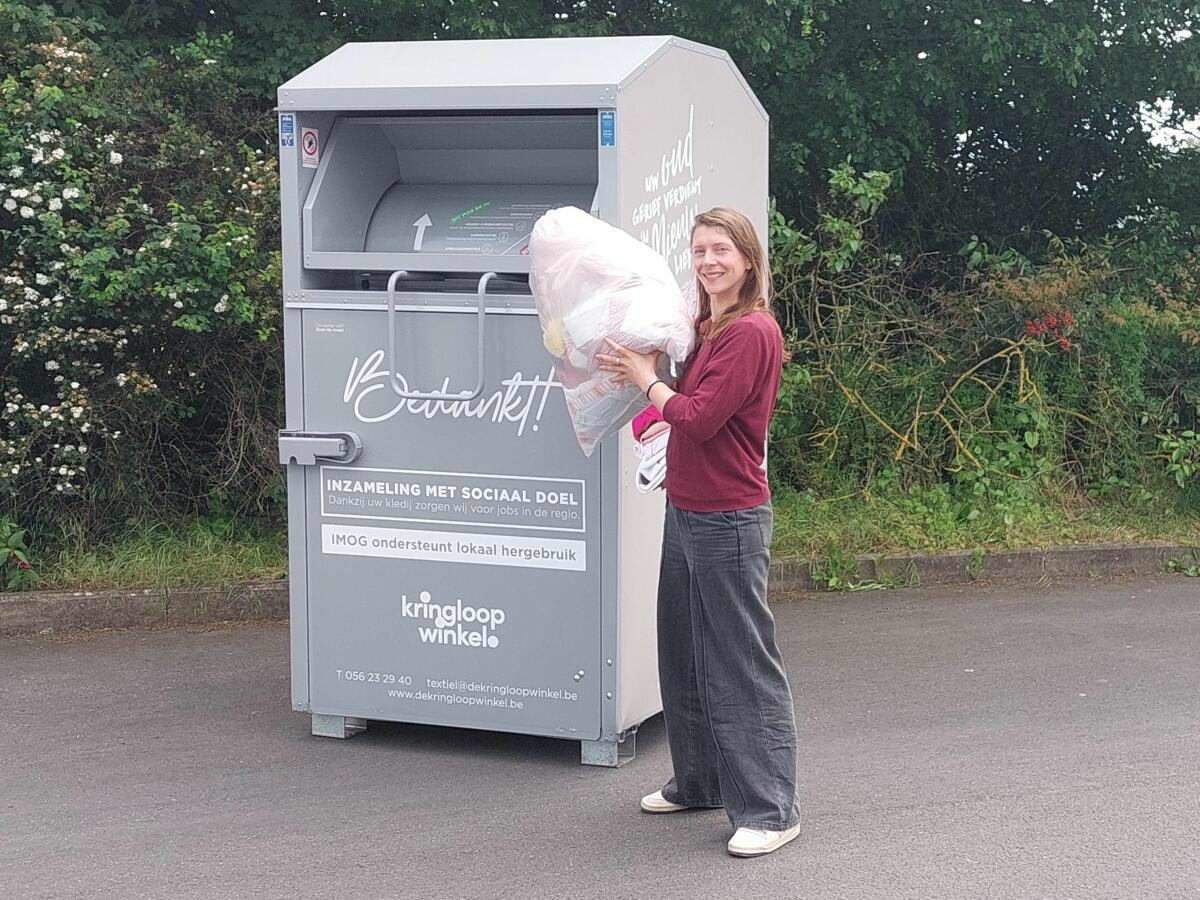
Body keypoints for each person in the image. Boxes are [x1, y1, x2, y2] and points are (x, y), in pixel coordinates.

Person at [597, 207, 801, 858]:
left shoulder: (752, 333)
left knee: (738, 660)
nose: (709, 261)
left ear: (747, 260)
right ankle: (701, 781)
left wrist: (645, 380)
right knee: (683, 652)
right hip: (687, 507)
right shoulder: (707, 326)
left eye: (722, 250)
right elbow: (681, 400)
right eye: (699, 250)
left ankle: (771, 809)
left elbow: (701, 416)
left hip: (730, 518)